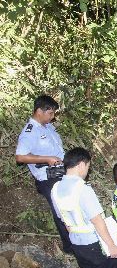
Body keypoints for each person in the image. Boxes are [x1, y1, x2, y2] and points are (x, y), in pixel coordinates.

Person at [15, 95, 72, 254]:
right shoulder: (29, 131)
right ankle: (70, 247)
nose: (53, 117)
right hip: (48, 178)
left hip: (60, 172)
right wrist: (47, 159)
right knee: (61, 211)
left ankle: (78, 240)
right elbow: (20, 157)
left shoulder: (47, 127)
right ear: (39, 111)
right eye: (51, 113)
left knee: (70, 206)